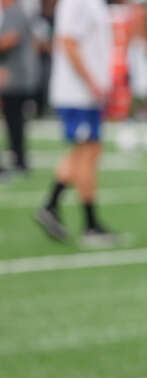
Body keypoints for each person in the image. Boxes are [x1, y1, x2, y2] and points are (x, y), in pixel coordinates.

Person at [35, 0, 114, 244]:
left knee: (89, 152)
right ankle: (87, 221)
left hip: (86, 94)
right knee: (85, 151)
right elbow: (68, 42)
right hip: (77, 93)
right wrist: (91, 81)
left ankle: (53, 206)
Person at [0, 0, 39, 177]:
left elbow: (11, 38)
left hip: (15, 76)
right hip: (17, 74)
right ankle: (19, 158)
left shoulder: (14, 12)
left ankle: (19, 159)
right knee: (14, 120)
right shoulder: (17, 11)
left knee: (14, 119)